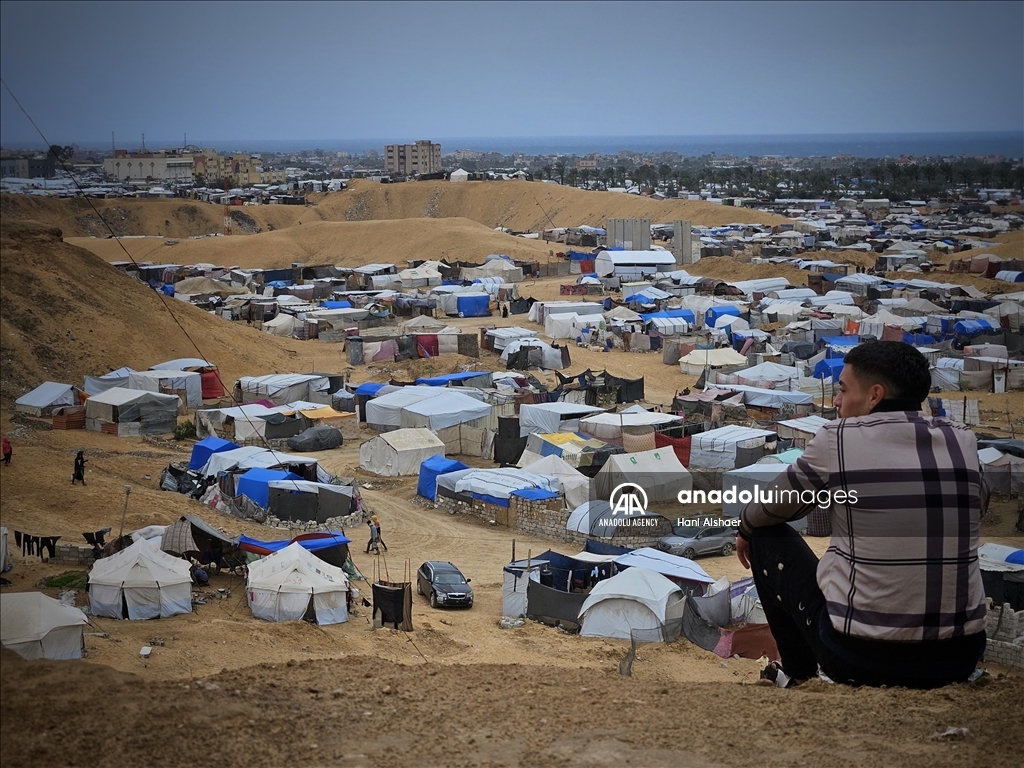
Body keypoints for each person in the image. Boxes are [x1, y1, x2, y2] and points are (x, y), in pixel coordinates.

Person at [736, 341, 987, 689]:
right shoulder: (964, 441)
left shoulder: (838, 439)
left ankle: (800, 676)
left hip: (861, 657)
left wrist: (745, 527)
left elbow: (773, 506)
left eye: (842, 389)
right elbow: (979, 507)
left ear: (875, 395)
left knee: (764, 536)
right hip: (959, 656)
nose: (836, 401)